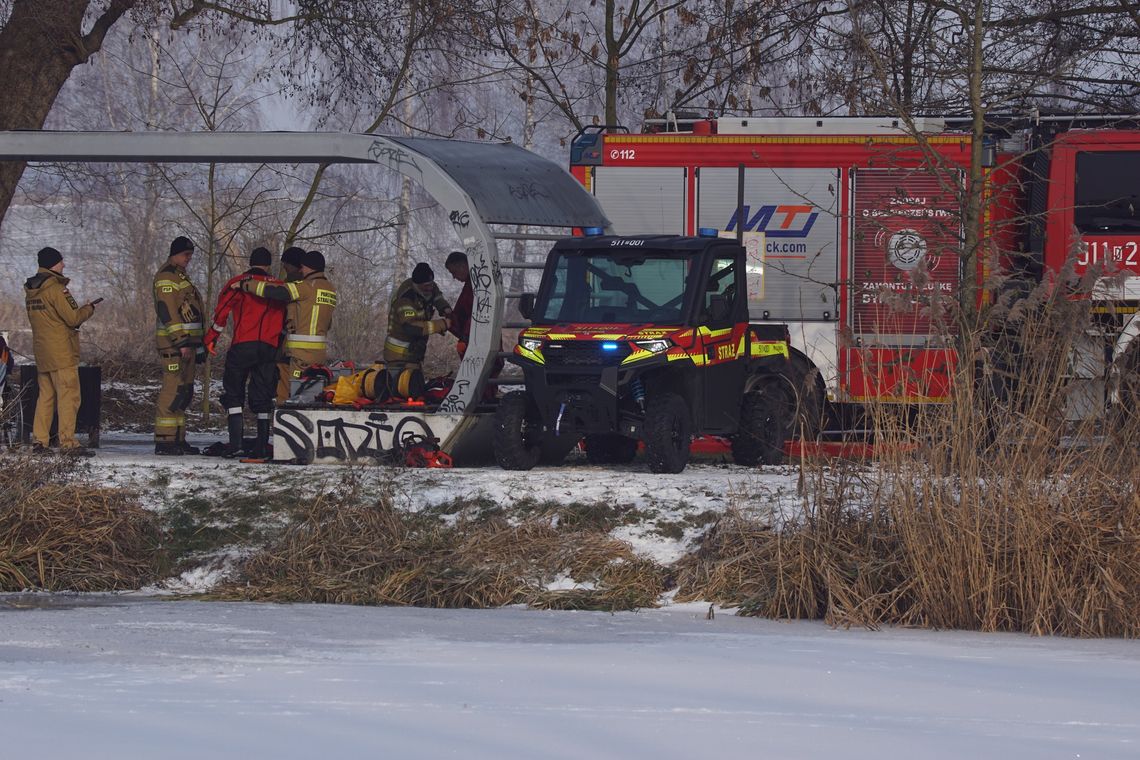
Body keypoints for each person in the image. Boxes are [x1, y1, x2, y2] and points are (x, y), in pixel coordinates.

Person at [204, 247, 285, 459]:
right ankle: (261, 446)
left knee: (234, 394)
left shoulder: (238, 282)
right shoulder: (280, 286)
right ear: (269, 265)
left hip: (243, 344)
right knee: (263, 396)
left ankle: (236, 444)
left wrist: (211, 337)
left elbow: (222, 312)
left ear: (251, 262)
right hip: (268, 347)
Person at [24, 246, 97, 456]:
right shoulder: (56, 289)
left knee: (45, 397)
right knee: (69, 397)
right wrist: (89, 308)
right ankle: (68, 443)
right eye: (60, 261)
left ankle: (40, 442)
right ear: (52, 264)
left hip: (42, 352)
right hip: (62, 353)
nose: (63, 265)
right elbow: (73, 318)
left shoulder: (31, 292)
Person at [234, 249, 336, 396]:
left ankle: (290, 417)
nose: (301, 270)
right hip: (317, 353)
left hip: (302, 354)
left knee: (299, 397)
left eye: (303, 266)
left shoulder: (307, 286)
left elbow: (277, 291)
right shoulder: (329, 289)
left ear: (309, 267)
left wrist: (246, 284)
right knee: (307, 392)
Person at [153, 236, 205, 456]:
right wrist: (181, 341)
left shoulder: (181, 276)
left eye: (190, 255)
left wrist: (198, 345)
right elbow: (168, 312)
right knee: (172, 391)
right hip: (174, 346)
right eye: (186, 255)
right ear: (175, 253)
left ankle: (178, 438)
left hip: (188, 346)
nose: (189, 259)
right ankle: (164, 441)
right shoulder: (166, 277)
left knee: (184, 392)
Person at [384, 262, 453, 369]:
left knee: (414, 381)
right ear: (417, 285)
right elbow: (412, 327)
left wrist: (445, 308)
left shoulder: (429, 287)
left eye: (431, 283)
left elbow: (437, 297)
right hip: (399, 355)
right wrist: (442, 324)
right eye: (427, 286)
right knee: (404, 383)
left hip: (415, 350)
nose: (430, 288)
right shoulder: (406, 299)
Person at [273, 246, 306, 402]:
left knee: (285, 388)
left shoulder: (293, 286)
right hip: (309, 351)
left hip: (289, 348)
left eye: (287, 266)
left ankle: (283, 416)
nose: (285, 270)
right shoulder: (313, 286)